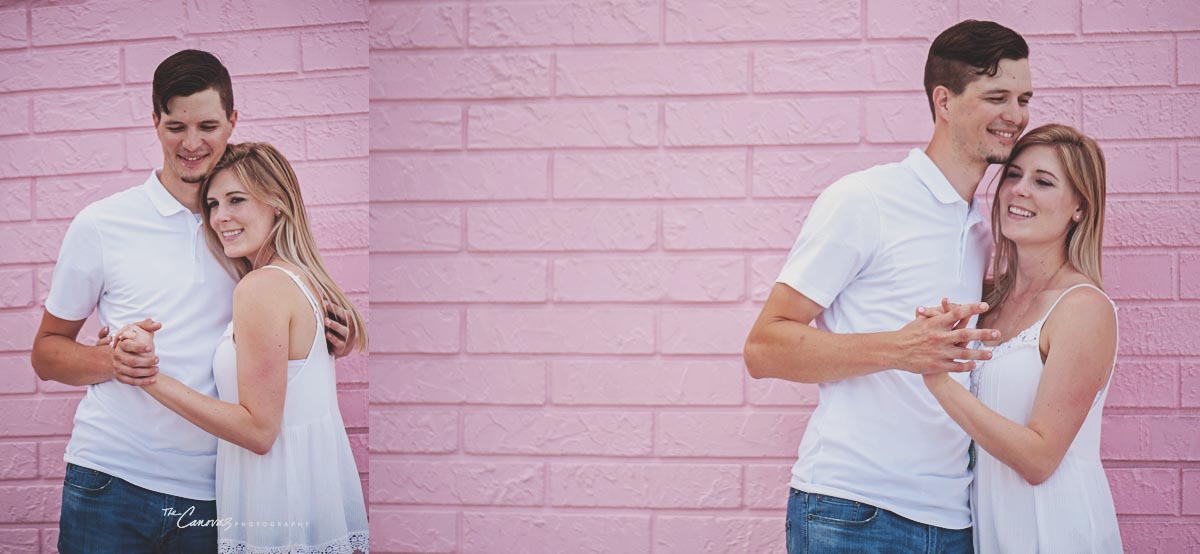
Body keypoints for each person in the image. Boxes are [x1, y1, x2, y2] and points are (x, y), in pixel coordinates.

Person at [29, 49, 356, 553]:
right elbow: (47, 352)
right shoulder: (102, 224)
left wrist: (335, 335)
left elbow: (286, 323)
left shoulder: (245, 230)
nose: (192, 142)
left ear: (232, 121)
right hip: (110, 479)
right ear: (155, 122)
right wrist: (113, 361)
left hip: (215, 491)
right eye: (176, 126)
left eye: (207, 124)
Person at [743, 20, 1031, 553]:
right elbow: (764, 347)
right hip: (852, 512)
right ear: (944, 102)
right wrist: (903, 348)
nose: (1016, 115)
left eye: (1023, 97)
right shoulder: (866, 200)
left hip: (955, 521)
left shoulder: (986, 227)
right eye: (997, 96)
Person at [114, 142, 369, 552]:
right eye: (213, 204)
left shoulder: (260, 287)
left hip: (276, 510)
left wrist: (149, 378)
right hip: (299, 502)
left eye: (236, 200)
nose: (220, 217)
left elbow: (258, 431)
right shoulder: (299, 281)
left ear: (278, 204)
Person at [916, 124, 1120, 553]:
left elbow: (1039, 459)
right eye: (1013, 174)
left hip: (1056, 529)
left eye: (1042, 182)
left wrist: (937, 379)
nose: (1019, 190)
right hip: (992, 529)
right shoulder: (987, 298)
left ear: (1079, 208)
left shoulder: (1083, 308)